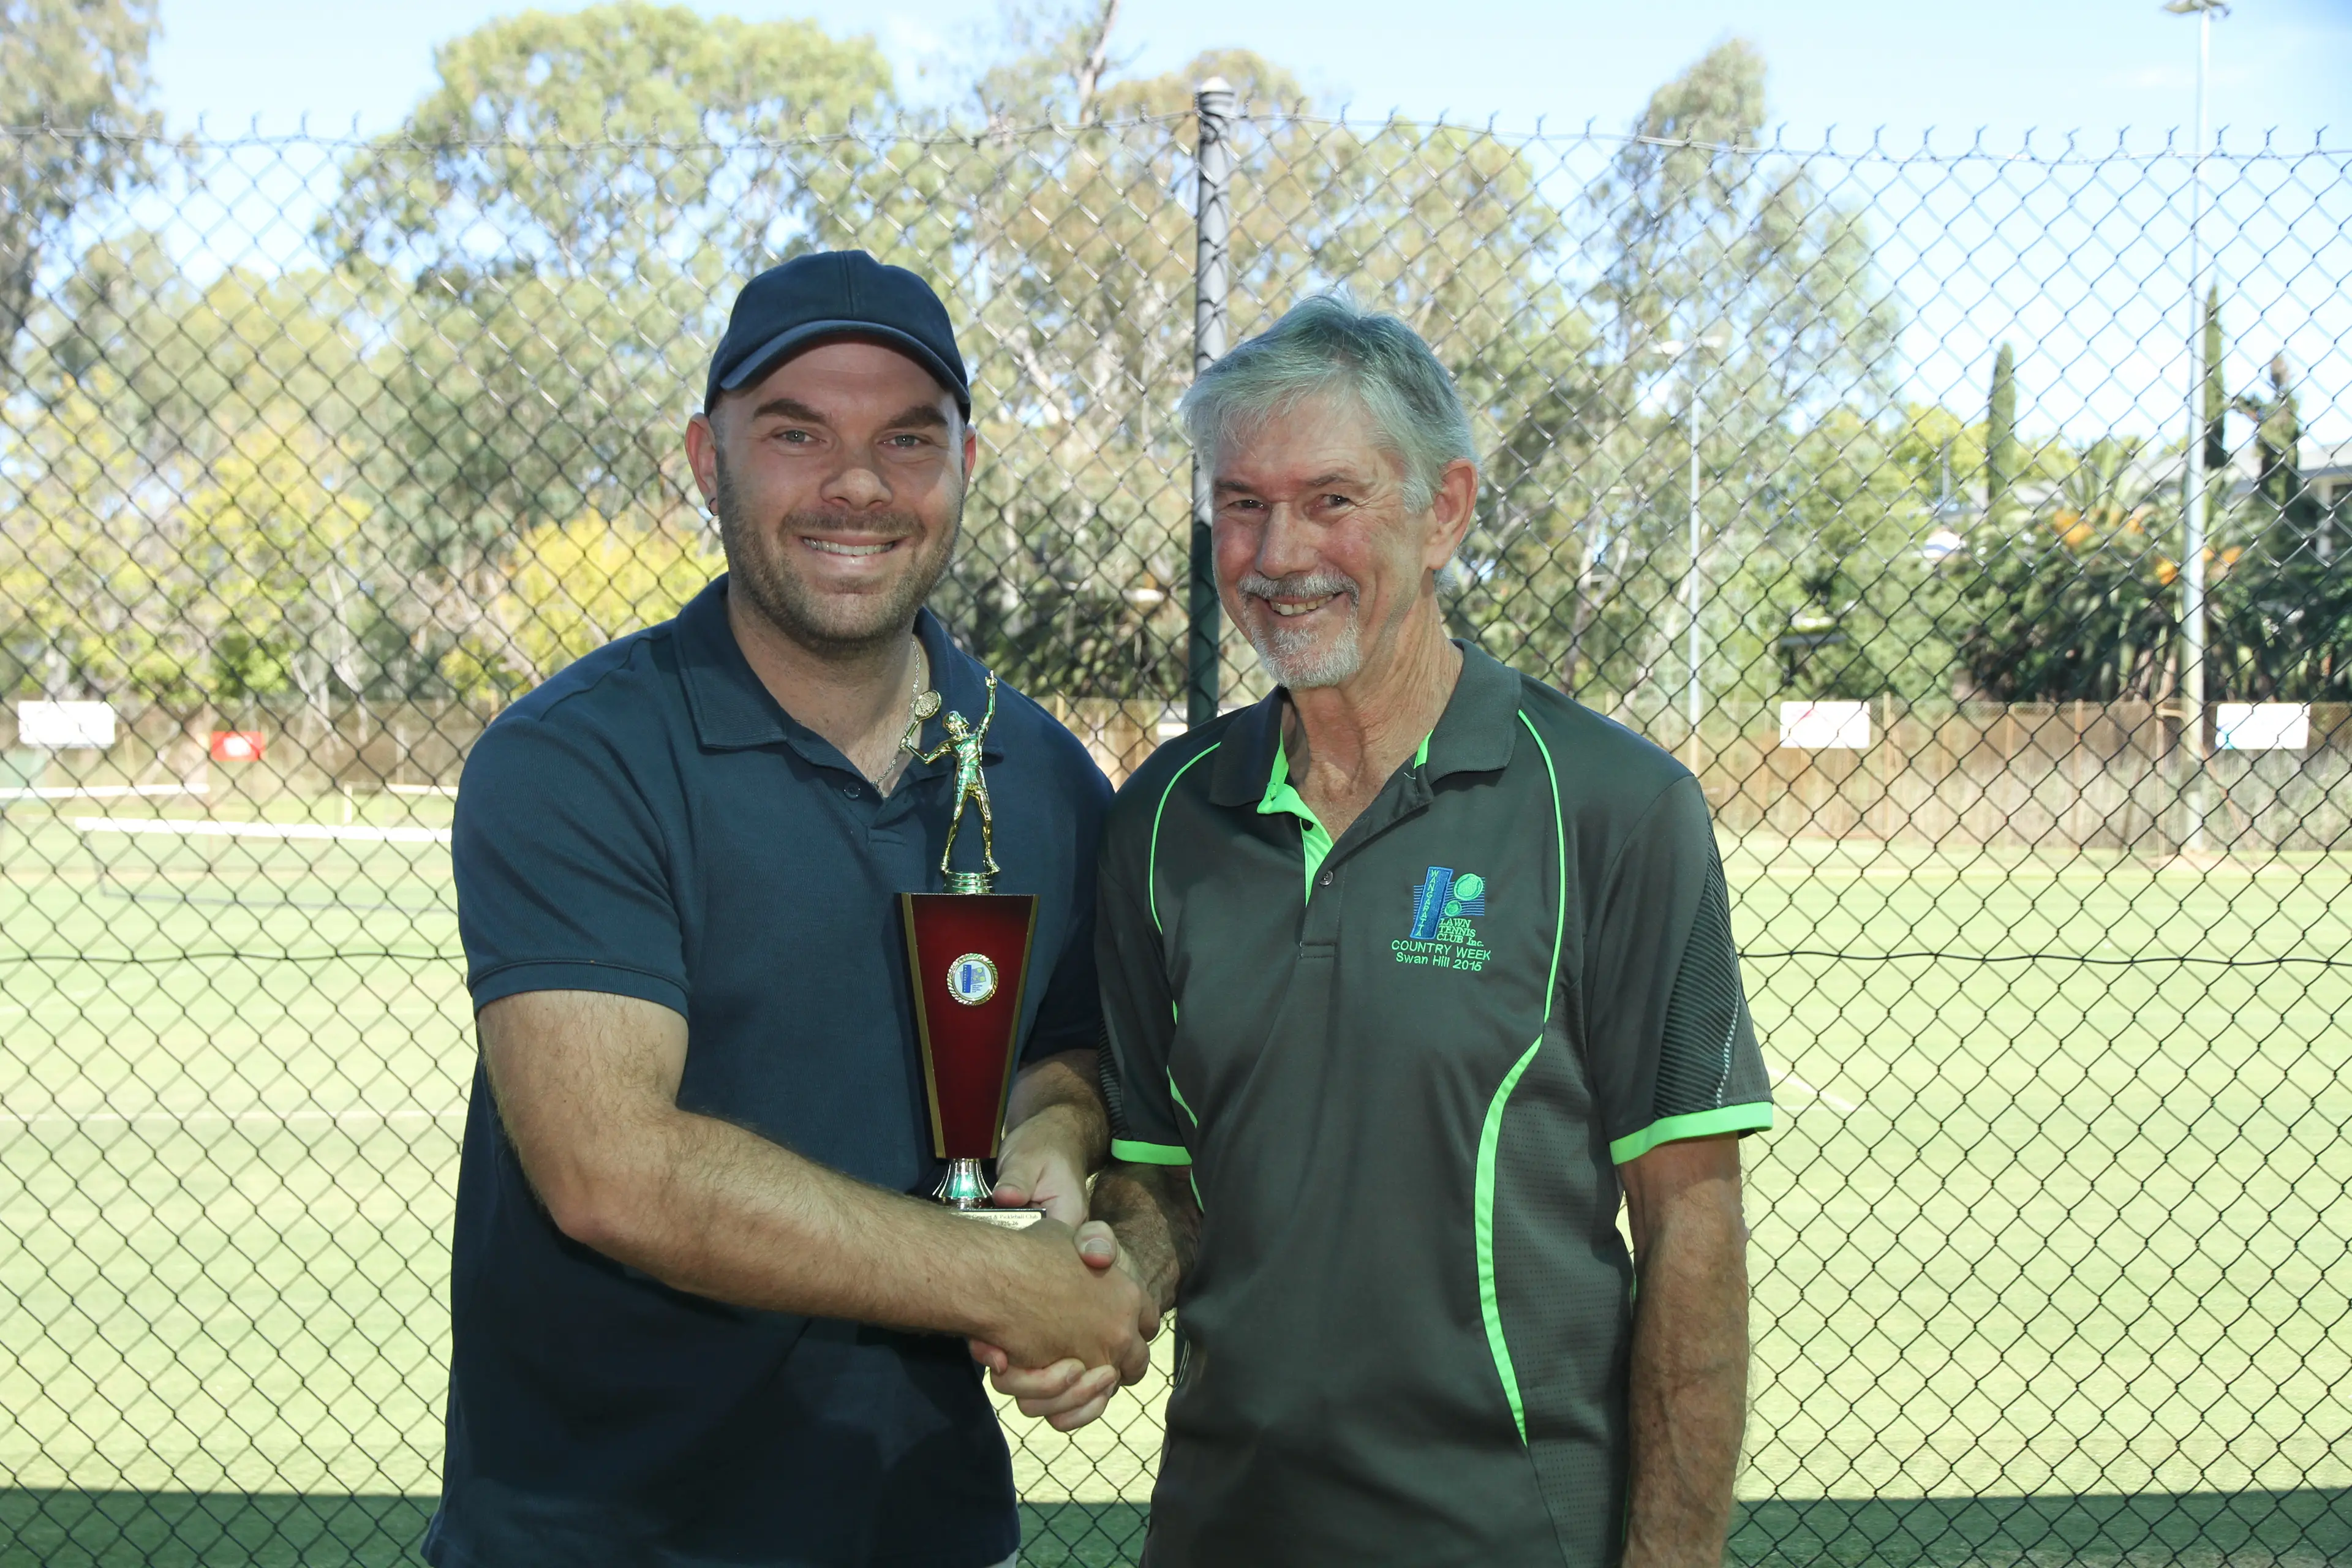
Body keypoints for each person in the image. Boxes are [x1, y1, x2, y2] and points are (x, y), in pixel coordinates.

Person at [987, 295, 1772, 1566]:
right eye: (1241, 503)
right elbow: (1161, 1180)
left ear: (1445, 510)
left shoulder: (1618, 807)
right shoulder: (1163, 819)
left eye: (1332, 500)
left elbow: (1692, 1230)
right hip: (1220, 1532)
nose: (1278, 551)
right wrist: (1104, 1287)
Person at [426, 251, 1153, 1568]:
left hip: (925, 1525)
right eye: (797, 433)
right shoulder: (580, 756)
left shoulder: (1039, 769)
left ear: (967, 466)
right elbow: (612, 1168)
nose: (858, 484)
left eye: (907, 439)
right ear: (706, 460)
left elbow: (1066, 1045)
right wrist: (1007, 1279)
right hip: (597, 1538)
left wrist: (1052, 1134)